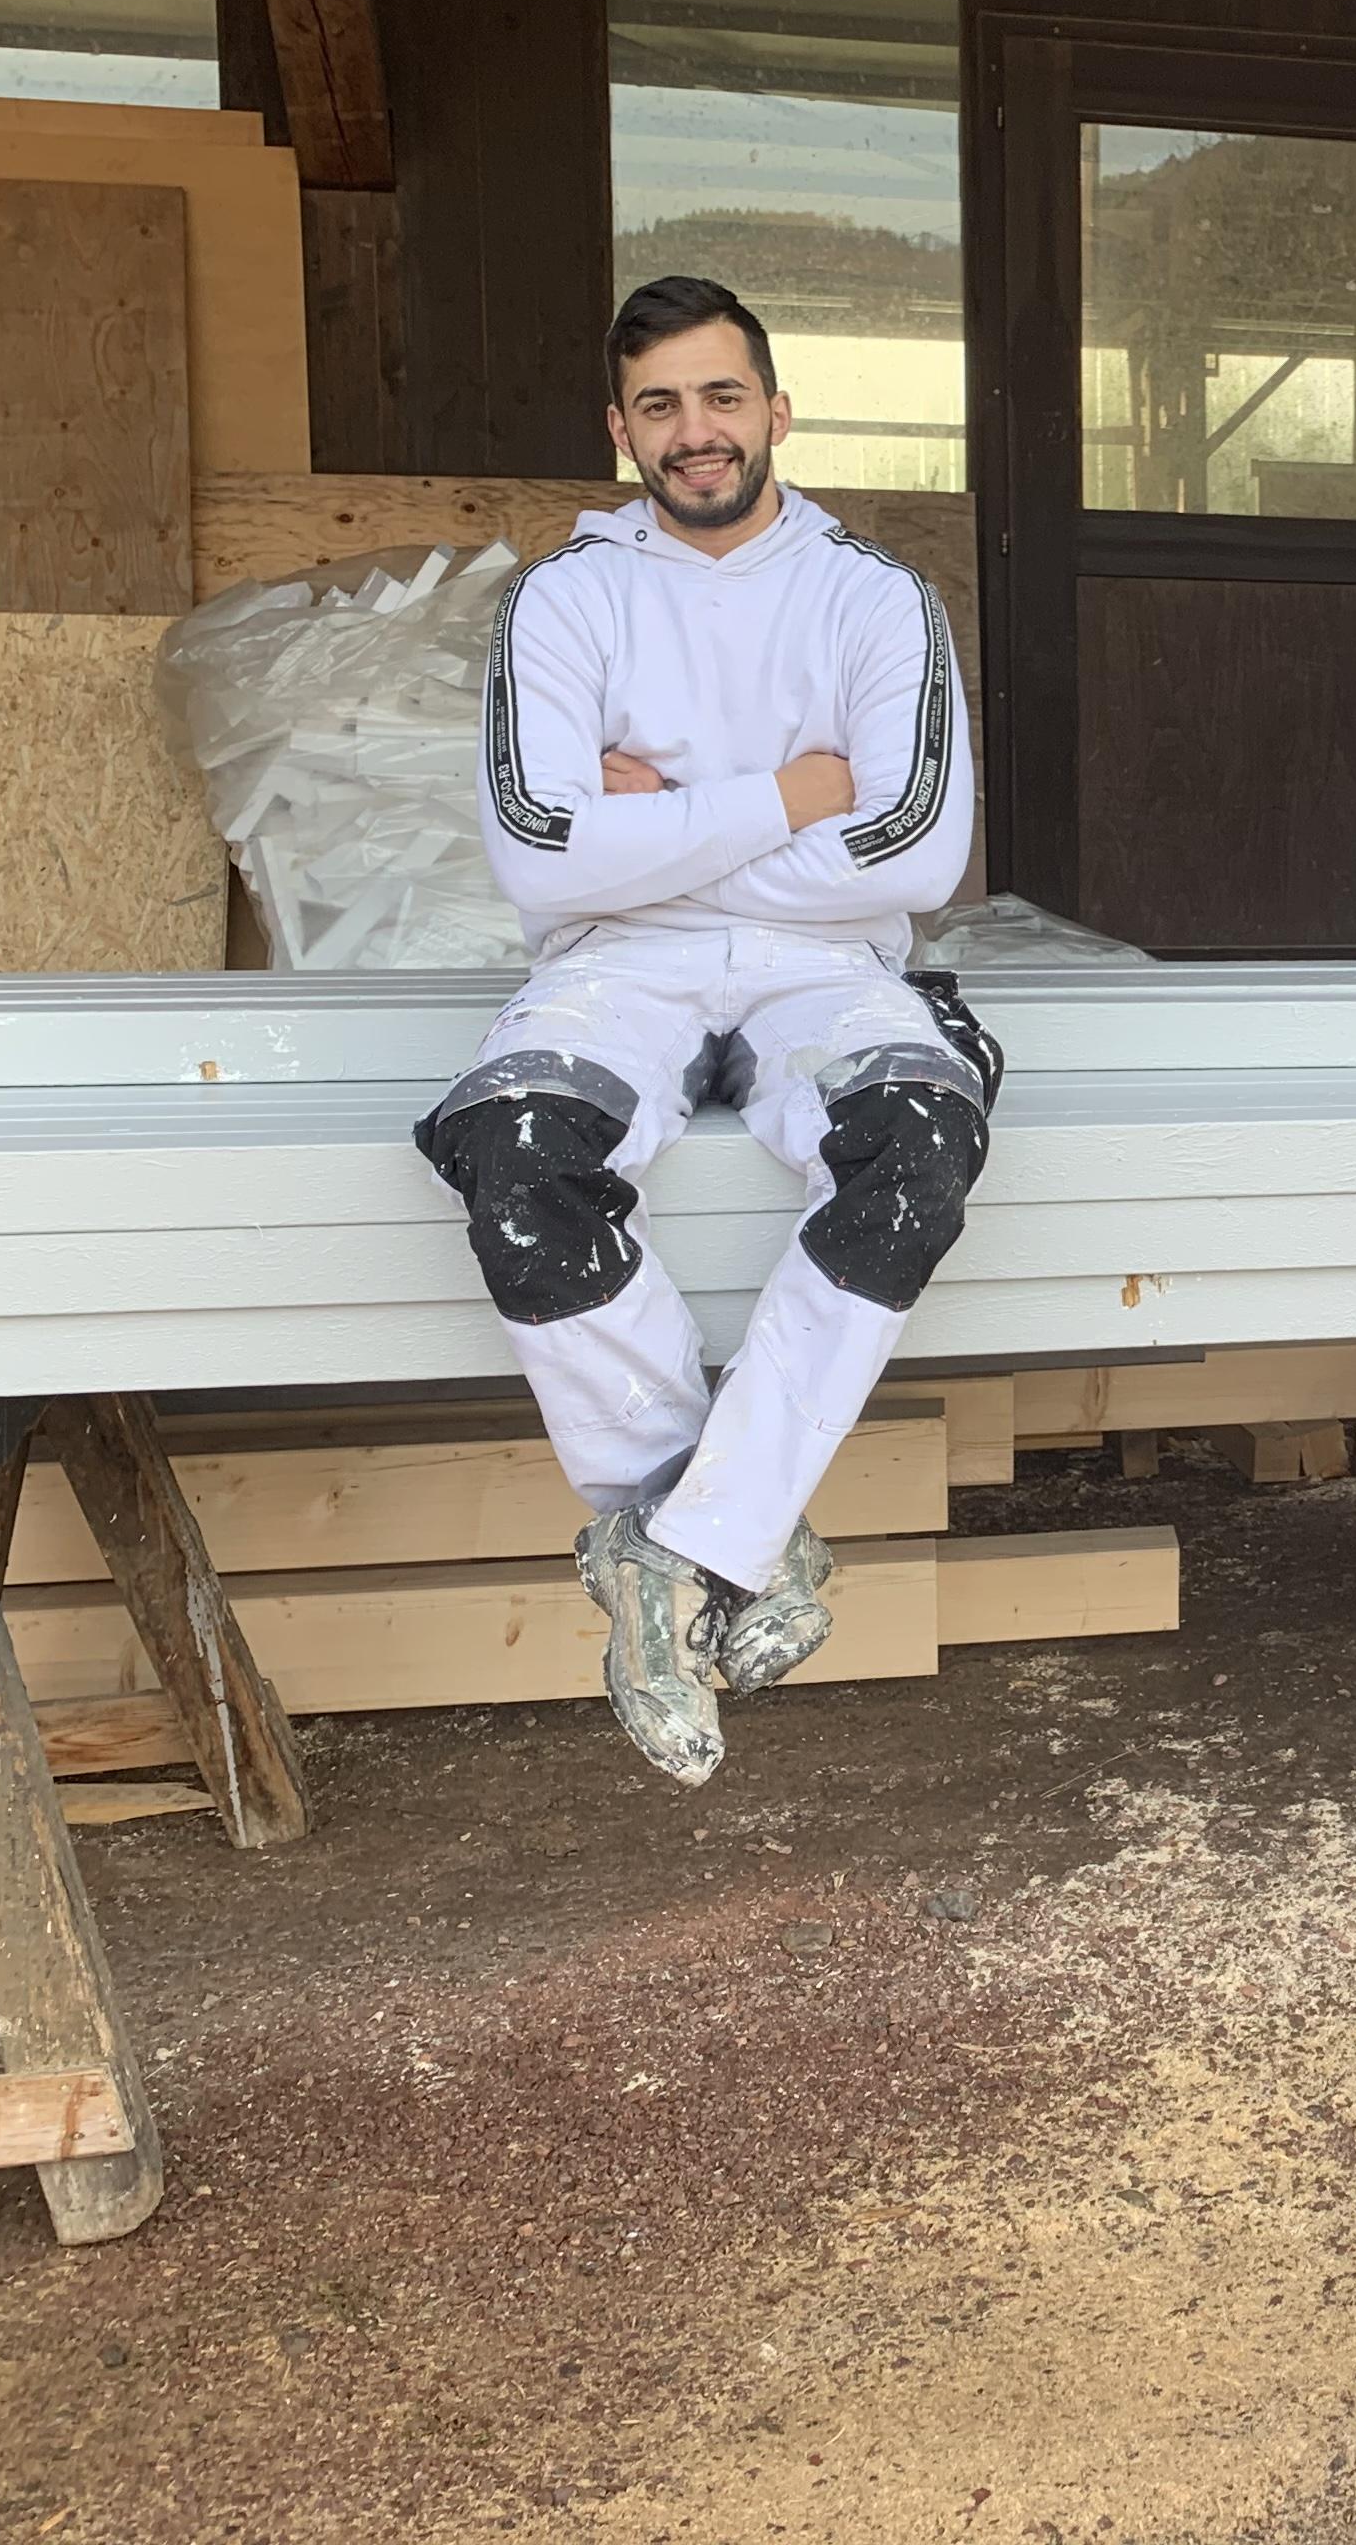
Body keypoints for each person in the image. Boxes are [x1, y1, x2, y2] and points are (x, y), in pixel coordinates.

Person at [420, 274, 991, 1785]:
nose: (696, 430)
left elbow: (918, 855)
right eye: (660, 405)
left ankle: (669, 1548)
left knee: (919, 1147)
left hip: (829, 964)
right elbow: (540, 857)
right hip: (621, 960)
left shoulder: (875, 597)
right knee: (514, 1154)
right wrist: (791, 796)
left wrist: (656, 821)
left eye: (723, 396)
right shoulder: (567, 597)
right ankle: (728, 1528)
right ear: (620, 430)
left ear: (777, 410)